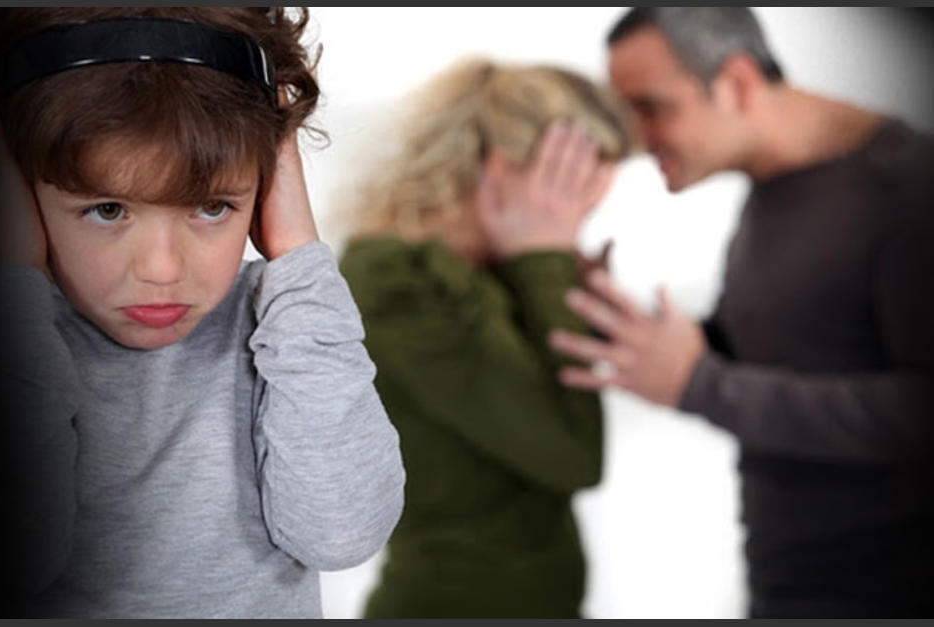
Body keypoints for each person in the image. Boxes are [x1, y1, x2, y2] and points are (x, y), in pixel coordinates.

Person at [0, 7, 405, 618]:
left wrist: (298, 253)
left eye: (212, 207)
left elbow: (341, 533)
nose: (162, 270)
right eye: (108, 210)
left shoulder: (290, 324)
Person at [548, 7, 934, 618]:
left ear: (737, 83)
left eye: (651, 107)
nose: (636, 140)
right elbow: (776, 345)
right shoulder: (777, 187)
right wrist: (626, 329)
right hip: (786, 584)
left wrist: (700, 385)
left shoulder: (908, 189)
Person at [336, 58, 632, 617]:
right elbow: (574, 457)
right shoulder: (397, 277)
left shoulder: (489, 267)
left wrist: (557, 284)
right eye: (569, 184)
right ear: (500, 169)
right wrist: (545, 263)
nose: (582, 212)